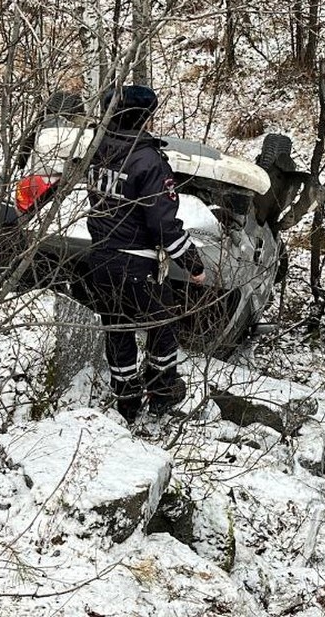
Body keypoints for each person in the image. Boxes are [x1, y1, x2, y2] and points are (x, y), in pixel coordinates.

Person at [85, 85, 206, 423]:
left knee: (118, 328)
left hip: (101, 259)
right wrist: (193, 264)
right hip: (136, 263)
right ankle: (162, 393)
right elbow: (163, 225)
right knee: (163, 324)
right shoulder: (148, 160)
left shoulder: (99, 149)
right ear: (142, 117)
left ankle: (126, 402)